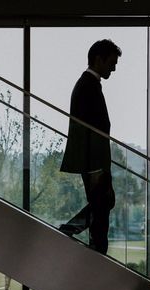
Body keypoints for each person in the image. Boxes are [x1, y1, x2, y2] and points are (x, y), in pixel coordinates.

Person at [58, 39, 121, 255]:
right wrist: (94, 168)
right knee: (102, 207)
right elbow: (84, 129)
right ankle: (95, 248)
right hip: (94, 162)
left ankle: (75, 231)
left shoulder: (88, 84)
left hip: (96, 160)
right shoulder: (87, 86)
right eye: (111, 63)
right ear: (98, 59)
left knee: (105, 202)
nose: (113, 68)